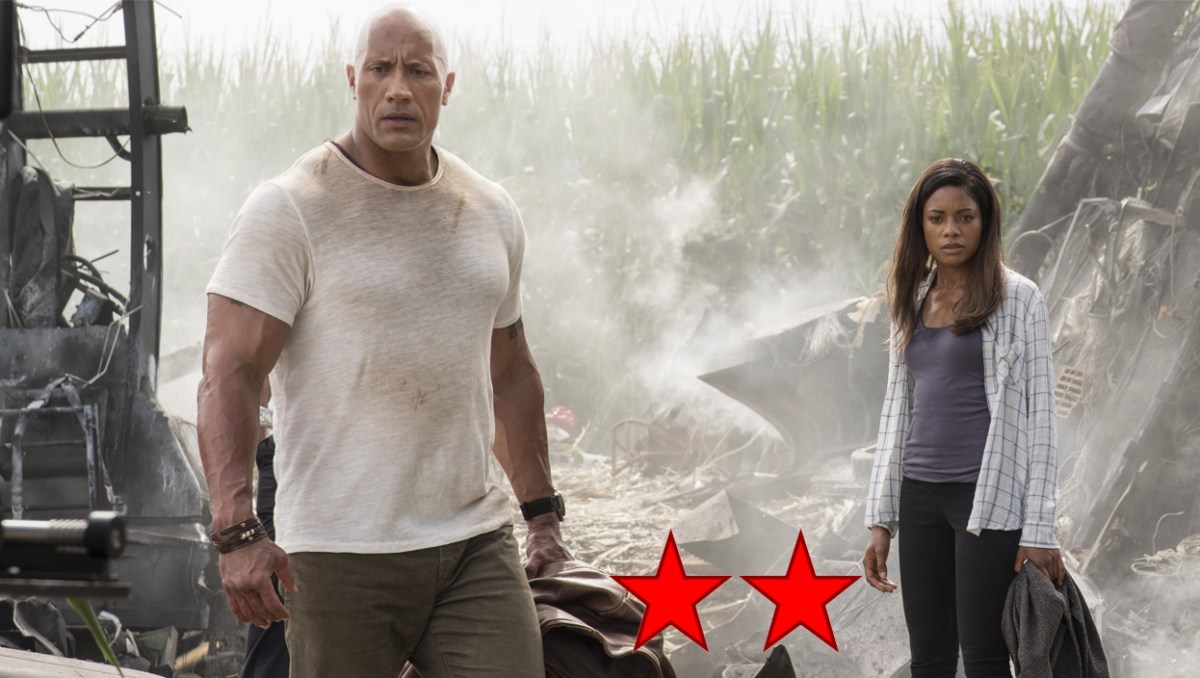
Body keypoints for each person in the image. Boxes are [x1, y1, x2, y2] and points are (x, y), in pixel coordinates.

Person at [197, 5, 570, 677]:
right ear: (354, 80)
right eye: (380, 69)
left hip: (474, 544)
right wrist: (236, 532)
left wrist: (542, 517)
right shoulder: (291, 207)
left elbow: (511, 371)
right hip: (338, 553)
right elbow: (230, 373)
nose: (398, 88)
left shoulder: (489, 210)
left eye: (418, 71)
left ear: (446, 86)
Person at [861, 158, 1066, 678]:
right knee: (929, 658)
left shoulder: (1019, 298)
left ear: (985, 222)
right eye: (937, 218)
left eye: (964, 217)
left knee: (984, 657)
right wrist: (881, 519)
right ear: (921, 226)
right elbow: (896, 410)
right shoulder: (911, 297)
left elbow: (1042, 417)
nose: (950, 230)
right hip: (919, 496)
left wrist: (1040, 528)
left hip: (986, 497)